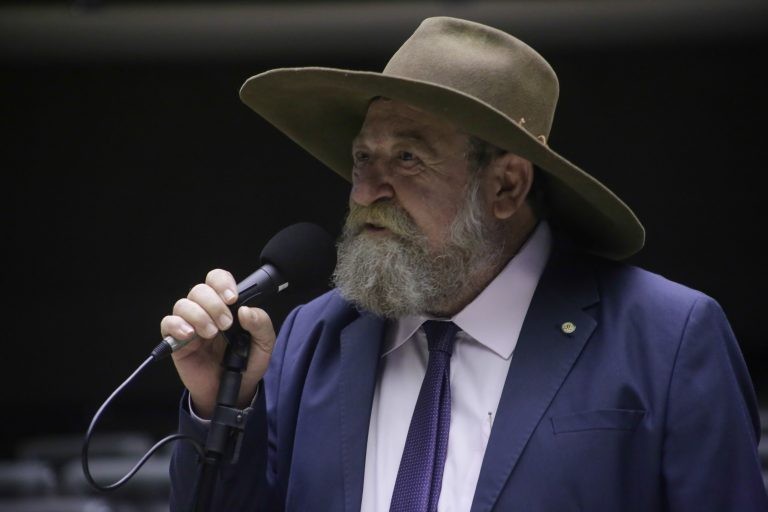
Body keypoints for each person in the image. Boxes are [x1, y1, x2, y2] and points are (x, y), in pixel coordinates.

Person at [164, 17, 767, 511]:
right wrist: (220, 407)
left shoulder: (667, 338)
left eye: (407, 158)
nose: (365, 191)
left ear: (506, 186)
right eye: (362, 159)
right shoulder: (312, 338)